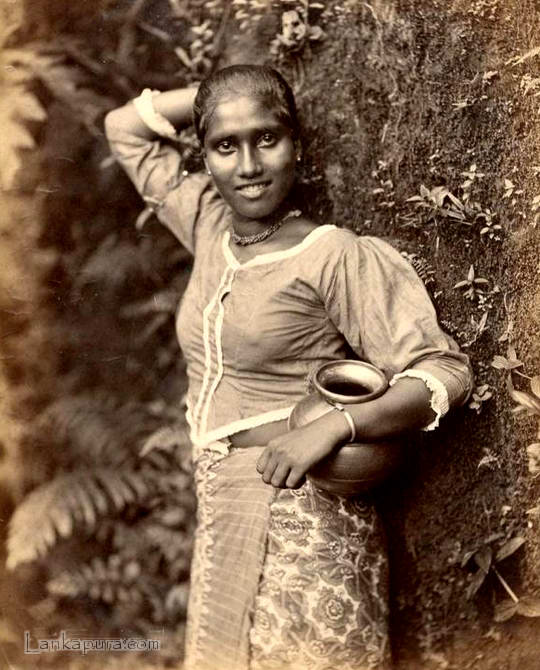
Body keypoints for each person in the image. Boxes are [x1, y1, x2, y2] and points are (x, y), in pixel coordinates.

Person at [104, 64, 473, 670]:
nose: (249, 166)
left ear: (296, 143)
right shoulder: (207, 223)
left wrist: (333, 427)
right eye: (225, 145)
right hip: (224, 507)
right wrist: (221, 96)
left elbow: (443, 371)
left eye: (267, 138)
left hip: (308, 514)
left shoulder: (332, 256)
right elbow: (125, 128)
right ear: (205, 154)